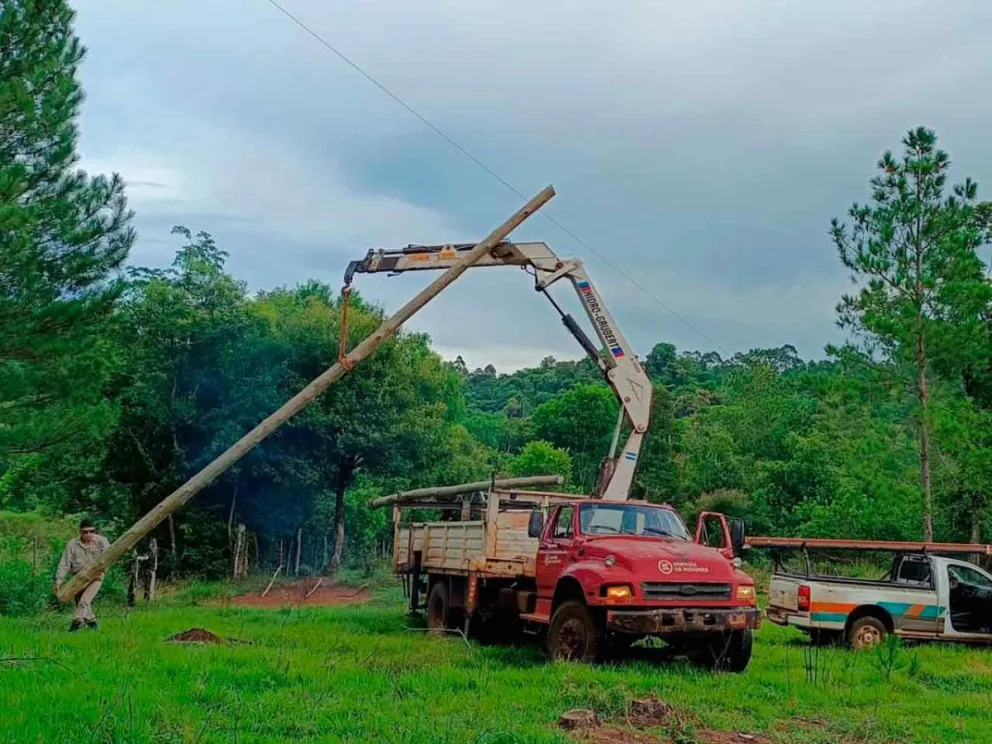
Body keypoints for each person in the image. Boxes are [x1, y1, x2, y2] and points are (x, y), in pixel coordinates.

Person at [54, 519, 111, 631]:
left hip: (96, 576)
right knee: (82, 604)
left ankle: (74, 627)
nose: (88, 534)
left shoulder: (102, 541)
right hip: (78, 577)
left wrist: (105, 568)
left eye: (91, 531)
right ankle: (94, 627)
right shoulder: (72, 544)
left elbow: (110, 555)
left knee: (84, 602)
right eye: (85, 532)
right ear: (80, 532)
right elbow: (64, 563)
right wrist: (58, 581)